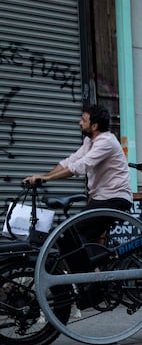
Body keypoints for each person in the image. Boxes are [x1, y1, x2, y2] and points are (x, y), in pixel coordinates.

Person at [23, 104, 132, 243]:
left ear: (94, 126)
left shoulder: (106, 142)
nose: (79, 123)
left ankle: (92, 265)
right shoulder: (89, 141)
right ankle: (93, 264)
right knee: (78, 236)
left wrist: (47, 178)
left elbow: (81, 166)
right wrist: (42, 178)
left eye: (83, 120)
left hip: (115, 199)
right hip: (101, 198)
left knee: (75, 234)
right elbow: (71, 161)